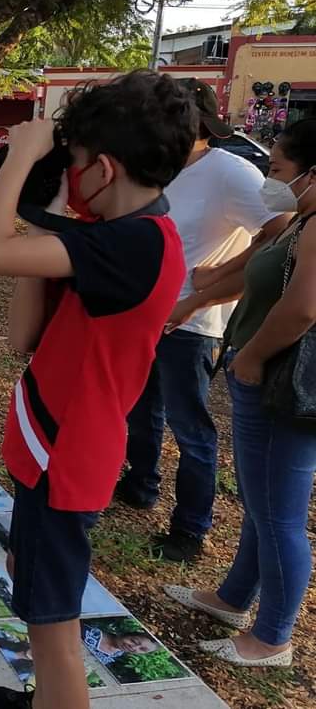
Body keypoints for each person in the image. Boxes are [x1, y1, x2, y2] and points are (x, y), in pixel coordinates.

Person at [0, 70, 193, 709]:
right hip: (54, 451)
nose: (68, 170)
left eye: (76, 161)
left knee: (52, 621)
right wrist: (52, 219)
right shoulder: (111, 240)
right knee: (29, 579)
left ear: (105, 170)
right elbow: (21, 335)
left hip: (67, 459)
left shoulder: (134, 244)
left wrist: (25, 157)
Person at [165, 118, 316, 668]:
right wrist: (198, 296)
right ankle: (233, 600)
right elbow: (262, 272)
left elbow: (302, 308)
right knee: (261, 502)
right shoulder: (303, 220)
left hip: (280, 384)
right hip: (265, 379)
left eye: (277, 169)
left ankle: (272, 637)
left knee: (279, 515)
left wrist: (249, 357)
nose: (269, 181)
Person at [118, 79, 290, 563]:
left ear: (196, 124)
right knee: (141, 408)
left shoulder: (236, 172)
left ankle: (190, 529)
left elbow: (286, 231)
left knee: (190, 428)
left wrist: (209, 288)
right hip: (146, 315)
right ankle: (140, 483)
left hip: (193, 325)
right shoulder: (161, 168)